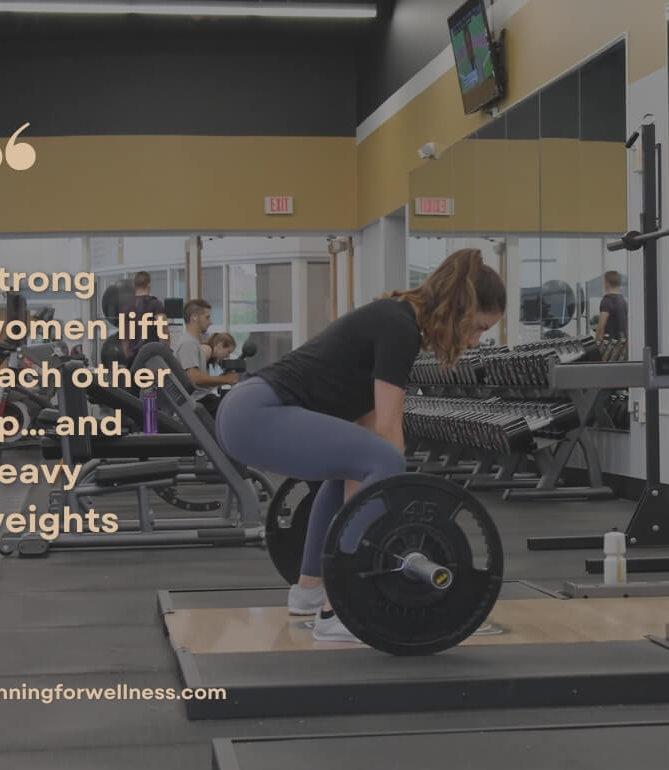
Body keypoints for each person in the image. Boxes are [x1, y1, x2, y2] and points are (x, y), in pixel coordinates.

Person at [215, 248, 506, 642]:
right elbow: (388, 434)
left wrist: (385, 487)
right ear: (457, 308)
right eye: (478, 328)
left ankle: (309, 591)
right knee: (382, 458)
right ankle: (343, 607)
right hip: (257, 411)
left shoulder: (396, 321)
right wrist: (400, 514)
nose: (473, 341)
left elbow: (368, 430)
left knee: (354, 466)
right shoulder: (398, 326)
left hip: (247, 411)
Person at [173, 300, 238, 417]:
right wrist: (226, 379)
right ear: (194, 318)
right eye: (207, 318)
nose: (211, 322)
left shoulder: (194, 343)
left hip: (204, 398)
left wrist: (221, 379)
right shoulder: (188, 343)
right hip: (198, 402)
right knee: (236, 413)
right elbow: (194, 378)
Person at [121, 271, 167, 365]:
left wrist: (127, 357)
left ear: (134, 286)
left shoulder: (126, 307)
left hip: (133, 358)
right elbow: (164, 331)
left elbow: (124, 338)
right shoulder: (155, 304)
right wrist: (167, 353)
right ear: (149, 285)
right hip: (152, 356)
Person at [595, 270, 628, 341]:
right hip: (623, 344)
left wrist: (597, 344)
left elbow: (601, 327)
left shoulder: (607, 301)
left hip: (610, 346)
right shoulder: (623, 301)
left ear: (607, 283)